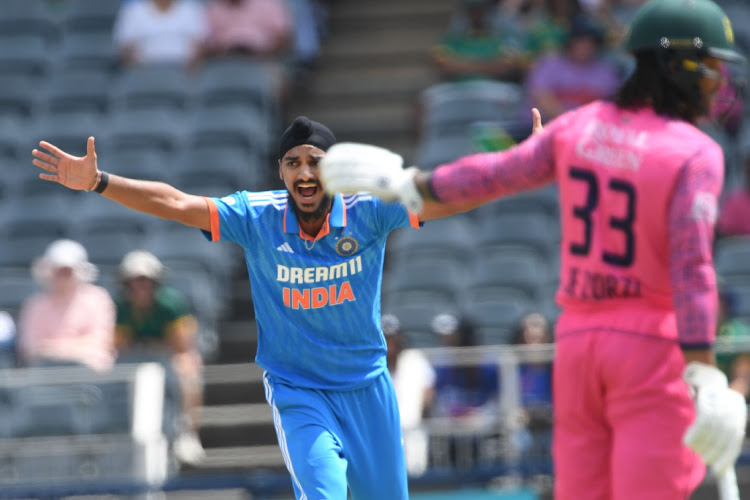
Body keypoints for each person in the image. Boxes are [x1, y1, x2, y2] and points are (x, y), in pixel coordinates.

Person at [320, 0, 748, 498]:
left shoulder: (579, 125)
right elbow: (692, 267)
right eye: (712, 67)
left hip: (579, 341)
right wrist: (704, 369)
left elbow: (497, 172)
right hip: (650, 345)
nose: (719, 81)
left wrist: (412, 182)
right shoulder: (697, 151)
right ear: (677, 64)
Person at [31, 116, 423, 499]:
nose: (305, 172)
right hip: (299, 389)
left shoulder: (368, 211)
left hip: (368, 388)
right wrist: (99, 181)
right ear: (281, 172)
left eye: (316, 161)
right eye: (293, 163)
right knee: (325, 492)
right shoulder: (256, 216)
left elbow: (434, 198)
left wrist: (484, 176)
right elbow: (176, 204)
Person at [115, 250, 205, 466]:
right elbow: (120, 346)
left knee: (188, 370)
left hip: (169, 357)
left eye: (145, 280)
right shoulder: (122, 307)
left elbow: (181, 346)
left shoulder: (171, 304)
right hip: (137, 359)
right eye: (135, 281)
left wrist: (147, 345)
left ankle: (188, 433)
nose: (140, 286)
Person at [17, 239, 116, 372]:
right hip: (46, 374)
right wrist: (75, 348)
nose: (62, 277)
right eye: (58, 271)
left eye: (67, 271)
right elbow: (30, 347)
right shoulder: (35, 305)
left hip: (90, 374)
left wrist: (55, 349)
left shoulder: (98, 299)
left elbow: (101, 342)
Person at [382, 313, 435, 477]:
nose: (390, 343)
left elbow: (428, 394)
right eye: (385, 338)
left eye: (392, 338)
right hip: (381, 433)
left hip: (413, 432)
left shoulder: (414, 359)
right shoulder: (371, 364)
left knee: (416, 477)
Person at [113, 0, 208, 69]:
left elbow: (201, 44)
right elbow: (125, 48)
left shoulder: (191, 9)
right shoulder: (133, 11)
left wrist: (192, 64)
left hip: (184, 73)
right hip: (143, 73)